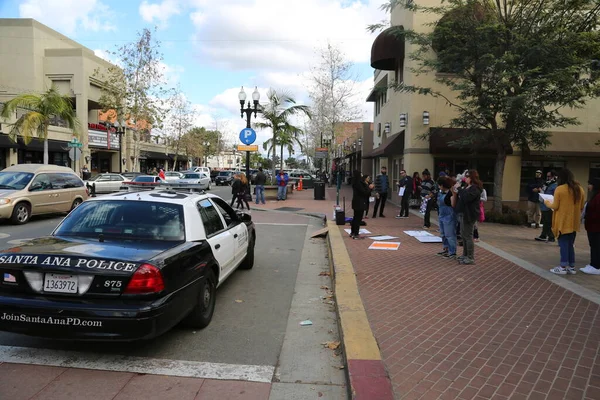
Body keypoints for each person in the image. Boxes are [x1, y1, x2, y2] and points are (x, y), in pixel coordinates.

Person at [544, 168, 586, 275]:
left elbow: (555, 206)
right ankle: (571, 267)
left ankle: (562, 266)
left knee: (563, 244)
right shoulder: (579, 189)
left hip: (563, 222)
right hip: (574, 222)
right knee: (570, 245)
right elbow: (581, 206)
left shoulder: (560, 189)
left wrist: (547, 201)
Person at [451, 169, 483, 265]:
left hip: (469, 214)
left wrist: (460, 189)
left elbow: (466, 198)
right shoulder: (467, 187)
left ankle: (470, 257)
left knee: (468, 236)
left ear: (472, 178)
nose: (466, 178)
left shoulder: (475, 188)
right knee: (463, 235)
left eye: (468, 177)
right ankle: (465, 255)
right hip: (462, 213)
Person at [581, 177, 600, 274]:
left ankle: (596, 266)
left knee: (596, 246)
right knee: (593, 245)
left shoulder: (598, 197)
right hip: (592, 226)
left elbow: (596, 212)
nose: (588, 186)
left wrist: (588, 216)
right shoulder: (594, 195)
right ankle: (593, 264)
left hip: (596, 227)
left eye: (590, 184)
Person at [437, 176, 457, 259]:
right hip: (441, 214)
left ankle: (452, 252)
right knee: (443, 233)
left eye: (439, 185)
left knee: (449, 234)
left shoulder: (450, 193)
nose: (438, 186)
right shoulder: (440, 192)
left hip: (449, 215)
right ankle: (446, 249)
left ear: (442, 185)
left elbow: (453, 204)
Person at [536, 170, 558, 242]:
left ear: (553, 176)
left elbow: (556, 195)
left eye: (549, 176)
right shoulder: (546, 184)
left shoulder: (555, 185)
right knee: (545, 221)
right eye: (547, 176)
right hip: (543, 204)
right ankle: (543, 235)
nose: (548, 178)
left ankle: (551, 236)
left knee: (548, 222)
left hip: (549, 206)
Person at [351, 170, 374, 239]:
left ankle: (353, 232)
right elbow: (364, 192)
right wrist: (370, 188)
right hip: (360, 202)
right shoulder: (359, 183)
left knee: (355, 217)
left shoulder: (355, 182)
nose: (362, 175)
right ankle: (356, 233)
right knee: (358, 218)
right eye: (361, 174)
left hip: (356, 202)